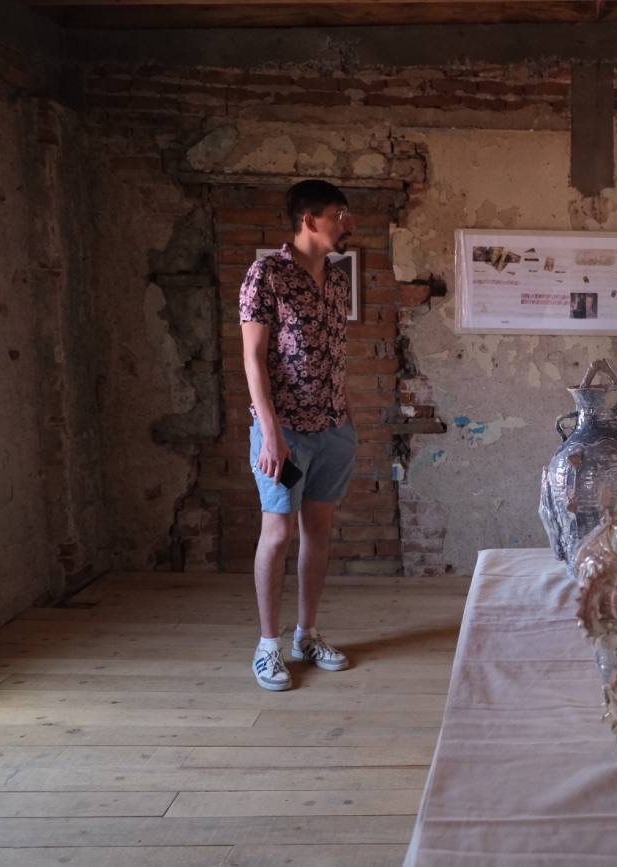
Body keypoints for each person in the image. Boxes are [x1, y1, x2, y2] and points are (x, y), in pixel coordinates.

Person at [239, 179, 359, 691]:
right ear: (309, 220)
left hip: (334, 430)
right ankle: (268, 646)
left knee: (319, 532)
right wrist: (271, 435)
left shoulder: (337, 279)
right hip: (285, 435)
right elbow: (253, 358)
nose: (348, 223)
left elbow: (334, 351)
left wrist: (346, 415)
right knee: (278, 533)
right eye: (339, 214)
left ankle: (306, 635)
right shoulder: (266, 275)